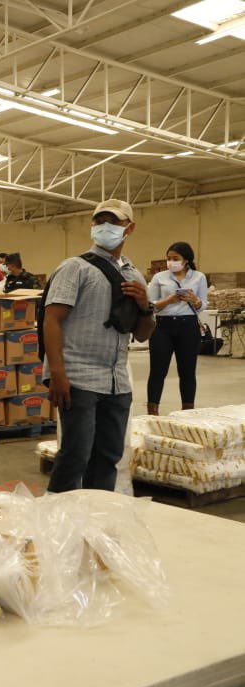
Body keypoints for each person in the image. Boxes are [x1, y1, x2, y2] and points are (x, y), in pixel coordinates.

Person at [43, 199, 155, 493]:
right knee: (75, 455)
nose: (105, 227)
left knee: (108, 458)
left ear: (129, 228)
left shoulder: (134, 275)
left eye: (114, 222)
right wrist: (57, 374)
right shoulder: (75, 268)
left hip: (117, 382)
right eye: (99, 221)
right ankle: (57, 522)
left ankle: (98, 518)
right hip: (78, 377)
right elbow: (51, 320)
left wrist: (145, 305)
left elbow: (143, 334)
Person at [146, 241, 208, 415]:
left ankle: (187, 411)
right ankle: (153, 411)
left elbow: (203, 304)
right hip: (162, 327)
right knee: (158, 370)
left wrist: (196, 301)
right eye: (169, 258)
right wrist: (169, 300)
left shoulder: (199, 277)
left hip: (188, 326)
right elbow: (151, 305)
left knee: (187, 371)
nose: (171, 262)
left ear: (186, 260)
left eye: (175, 258)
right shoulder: (159, 278)